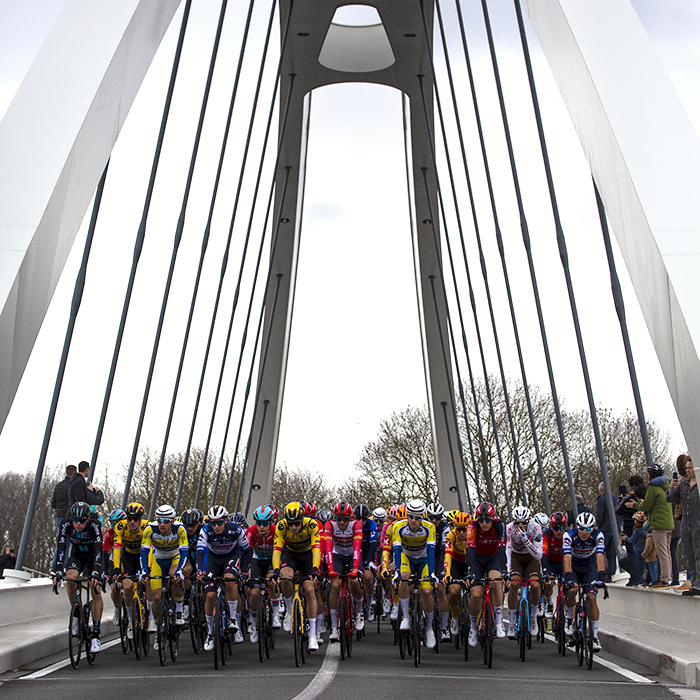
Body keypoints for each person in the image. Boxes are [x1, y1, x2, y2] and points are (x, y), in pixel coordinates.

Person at [197, 505, 251, 650]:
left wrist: (245, 571)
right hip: (213, 561)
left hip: (230, 558)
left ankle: (234, 621)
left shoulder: (236, 530)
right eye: (213, 523)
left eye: (219, 522)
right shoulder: (205, 530)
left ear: (226, 521)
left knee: (229, 580)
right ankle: (210, 633)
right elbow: (200, 551)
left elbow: (246, 551)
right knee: (210, 596)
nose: (216, 526)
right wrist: (200, 571)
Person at [53, 501, 104, 653]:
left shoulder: (94, 526)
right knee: (70, 577)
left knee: (95, 590)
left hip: (93, 557)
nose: (78, 523)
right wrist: (57, 570)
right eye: (76, 519)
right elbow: (61, 547)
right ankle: (76, 613)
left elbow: (98, 551)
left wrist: (95, 572)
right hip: (78, 556)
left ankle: (95, 634)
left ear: (88, 519)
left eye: (82, 520)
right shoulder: (66, 524)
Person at [272, 501, 322, 651]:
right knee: (285, 578)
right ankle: (289, 611)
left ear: (302, 519)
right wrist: (275, 570)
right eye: (291, 524)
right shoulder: (281, 526)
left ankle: (313, 635)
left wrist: (314, 569)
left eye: (296, 523)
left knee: (309, 590)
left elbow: (316, 549)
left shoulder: (312, 525)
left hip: (307, 555)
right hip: (291, 554)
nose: (293, 527)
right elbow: (277, 550)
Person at [140, 504, 189, 647]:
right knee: (156, 597)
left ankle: (179, 610)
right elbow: (144, 551)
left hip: (175, 557)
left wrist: (180, 570)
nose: (162, 524)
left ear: (172, 521)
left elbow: (184, 551)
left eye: (166, 521)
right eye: (160, 520)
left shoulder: (180, 529)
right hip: (158, 560)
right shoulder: (150, 529)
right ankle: (158, 626)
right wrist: (144, 571)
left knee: (175, 575)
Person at [392, 498, 438, 649]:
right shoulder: (398, 527)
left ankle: (429, 628)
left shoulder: (429, 527)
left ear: (422, 517)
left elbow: (431, 553)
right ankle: (405, 617)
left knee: (426, 590)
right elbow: (397, 552)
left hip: (424, 559)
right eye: (410, 516)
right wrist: (397, 572)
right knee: (404, 579)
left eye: (417, 518)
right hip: (407, 557)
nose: (413, 520)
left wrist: (431, 573)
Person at [563, 511, 606, 652]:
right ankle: (569, 617)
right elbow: (567, 558)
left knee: (592, 598)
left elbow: (600, 556)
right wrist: (569, 577)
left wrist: (601, 577)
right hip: (573, 567)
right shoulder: (569, 535)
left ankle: (594, 636)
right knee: (573, 589)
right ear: (576, 527)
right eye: (581, 528)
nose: (584, 532)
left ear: (593, 528)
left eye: (588, 529)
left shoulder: (598, 536)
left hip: (589, 567)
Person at [465, 501, 507, 644]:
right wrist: (470, 571)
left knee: (496, 583)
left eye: (487, 520)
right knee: (476, 595)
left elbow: (502, 549)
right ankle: (473, 627)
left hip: (493, 557)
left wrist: (505, 570)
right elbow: (470, 550)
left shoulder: (499, 525)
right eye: (481, 520)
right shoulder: (472, 526)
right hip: (477, 559)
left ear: (493, 519)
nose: (484, 523)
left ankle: (499, 622)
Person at [626, 463, 674, 588]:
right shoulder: (665, 486)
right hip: (669, 522)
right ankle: (668, 577)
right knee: (667, 552)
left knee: (661, 552)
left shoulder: (653, 487)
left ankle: (663, 580)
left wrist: (634, 505)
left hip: (658, 523)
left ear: (650, 475)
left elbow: (647, 505)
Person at [325, 502, 363, 641]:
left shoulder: (356, 525)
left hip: (353, 554)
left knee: (354, 581)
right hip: (337, 555)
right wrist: (330, 570)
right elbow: (328, 549)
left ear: (350, 519)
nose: (341, 522)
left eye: (345, 519)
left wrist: (354, 570)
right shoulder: (330, 525)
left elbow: (357, 548)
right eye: (338, 519)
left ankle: (359, 612)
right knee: (335, 585)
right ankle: (334, 627)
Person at [245, 504, 282, 643]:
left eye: (265, 523)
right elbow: (246, 552)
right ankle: (253, 623)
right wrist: (245, 571)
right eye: (259, 523)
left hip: (272, 561)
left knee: (271, 580)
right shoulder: (250, 531)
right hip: (257, 561)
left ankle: (276, 615)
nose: (261, 527)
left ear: (270, 522)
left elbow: (281, 551)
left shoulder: (276, 530)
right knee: (254, 593)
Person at [112, 502, 149, 639]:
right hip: (128, 557)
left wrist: (147, 569)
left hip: (143, 555)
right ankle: (130, 620)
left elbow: (149, 550)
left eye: (136, 519)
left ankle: (151, 617)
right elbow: (116, 549)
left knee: (149, 582)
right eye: (130, 518)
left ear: (141, 519)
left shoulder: (147, 527)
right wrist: (116, 569)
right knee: (127, 587)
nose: (132, 522)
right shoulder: (120, 527)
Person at [506, 505, 543, 639]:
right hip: (516, 557)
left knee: (535, 585)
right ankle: (511, 623)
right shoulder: (509, 528)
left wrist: (525, 539)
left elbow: (538, 555)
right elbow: (508, 550)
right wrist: (508, 571)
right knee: (514, 585)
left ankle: (533, 617)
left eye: (523, 523)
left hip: (531, 557)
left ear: (529, 521)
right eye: (517, 523)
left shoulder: (535, 527)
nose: (520, 526)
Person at [667, 456, 700, 596]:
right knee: (689, 554)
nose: (688, 471)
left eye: (690, 468)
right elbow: (669, 498)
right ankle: (694, 582)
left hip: (698, 523)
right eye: (686, 468)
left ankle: (698, 583)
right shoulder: (683, 484)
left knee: (698, 553)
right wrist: (670, 488)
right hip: (686, 524)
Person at [616, 475, 645, 586]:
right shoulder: (646, 495)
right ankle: (645, 577)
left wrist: (621, 497)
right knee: (643, 551)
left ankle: (635, 578)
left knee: (632, 553)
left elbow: (618, 510)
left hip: (630, 526)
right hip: (644, 526)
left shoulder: (629, 499)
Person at [541, 512, 567, 617]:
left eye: (562, 528)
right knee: (549, 582)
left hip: (563, 562)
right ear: (551, 527)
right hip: (550, 562)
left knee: (569, 583)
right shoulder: (546, 535)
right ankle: (549, 602)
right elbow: (544, 554)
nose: (559, 531)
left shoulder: (568, 536)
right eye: (556, 529)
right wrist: (546, 571)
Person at [596, 482, 619, 581]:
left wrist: (599, 527)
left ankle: (603, 573)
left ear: (601, 490)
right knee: (612, 554)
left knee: (601, 552)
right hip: (615, 530)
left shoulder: (601, 500)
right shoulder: (616, 499)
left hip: (605, 529)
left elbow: (600, 516)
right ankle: (612, 574)